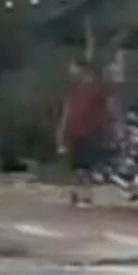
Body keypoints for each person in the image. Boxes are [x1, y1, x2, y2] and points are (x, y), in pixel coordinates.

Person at [55, 52, 119, 206]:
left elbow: (111, 108)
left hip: (91, 132)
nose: (70, 71)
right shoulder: (74, 90)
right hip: (75, 132)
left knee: (85, 167)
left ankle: (86, 195)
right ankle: (78, 193)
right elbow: (67, 112)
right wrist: (60, 134)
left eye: (73, 67)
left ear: (82, 69)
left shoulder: (99, 88)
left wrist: (115, 127)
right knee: (77, 166)